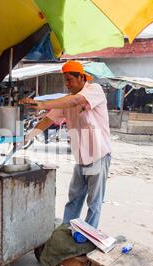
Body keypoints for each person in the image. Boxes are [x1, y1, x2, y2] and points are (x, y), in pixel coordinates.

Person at [20, 61, 111, 228]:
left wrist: (42, 104)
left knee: (94, 203)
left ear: (82, 77)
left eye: (69, 80)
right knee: (74, 198)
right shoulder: (67, 101)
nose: (67, 84)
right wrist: (29, 136)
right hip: (81, 158)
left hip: (98, 155)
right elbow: (48, 120)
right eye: (65, 81)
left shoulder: (94, 90)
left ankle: (88, 238)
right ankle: (66, 231)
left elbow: (76, 100)